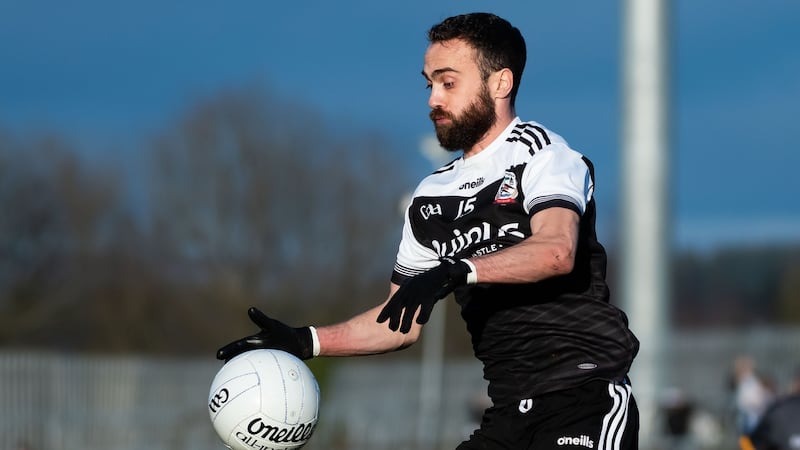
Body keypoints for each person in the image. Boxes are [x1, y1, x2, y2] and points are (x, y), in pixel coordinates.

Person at [217, 12, 640, 450]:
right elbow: (399, 324)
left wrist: (457, 271)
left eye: (449, 82)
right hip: (508, 412)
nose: (433, 99)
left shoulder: (545, 155)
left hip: (583, 398)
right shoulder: (431, 196)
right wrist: (308, 340)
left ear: (500, 83)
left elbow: (556, 251)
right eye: (429, 84)